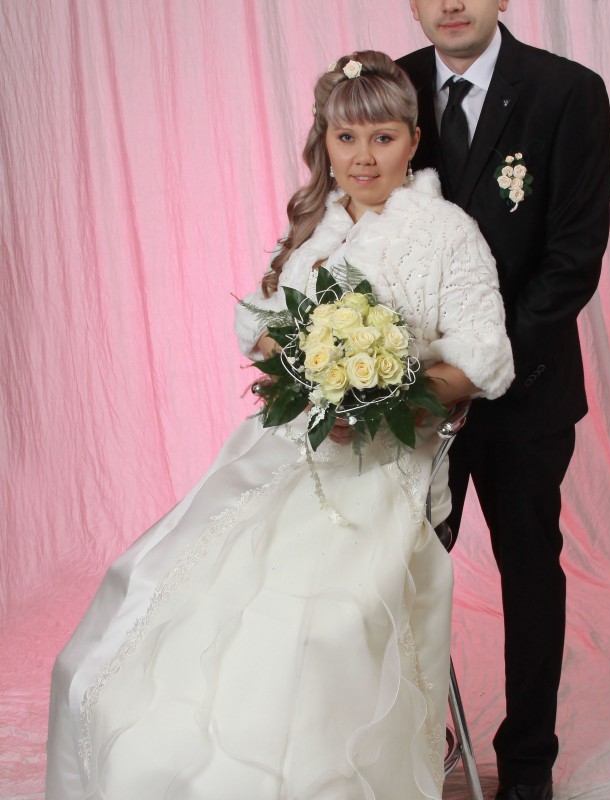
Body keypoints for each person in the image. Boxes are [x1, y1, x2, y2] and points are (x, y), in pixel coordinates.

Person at [44, 50, 514, 800]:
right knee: (171, 599)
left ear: (413, 141)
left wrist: (379, 391)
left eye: (383, 137)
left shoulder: (447, 233)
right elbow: (262, 328)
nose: (363, 158)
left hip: (383, 464)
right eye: (346, 138)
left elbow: (483, 359)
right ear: (325, 141)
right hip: (285, 452)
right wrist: (314, 363)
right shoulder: (316, 228)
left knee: (305, 626)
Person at [398, 3, 610, 799]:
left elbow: (573, 255)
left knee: (528, 569)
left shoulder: (568, 92)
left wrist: (480, 366)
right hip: (413, 395)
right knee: (403, 571)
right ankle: (414, 742)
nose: (451, 2)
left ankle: (527, 763)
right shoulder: (390, 84)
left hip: (527, 387)